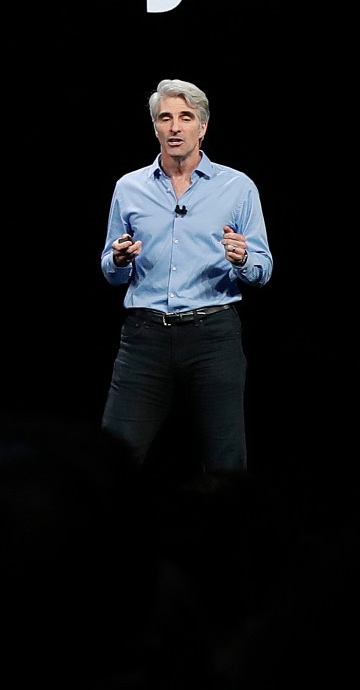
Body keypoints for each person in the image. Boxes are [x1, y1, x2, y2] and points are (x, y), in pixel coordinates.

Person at [99, 78, 273, 471]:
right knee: (112, 458)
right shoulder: (129, 187)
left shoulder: (237, 187)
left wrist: (242, 259)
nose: (175, 127)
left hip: (213, 336)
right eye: (166, 118)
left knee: (224, 462)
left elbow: (262, 271)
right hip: (144, 339)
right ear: (155, 127)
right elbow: (109, 270)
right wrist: (120, 260)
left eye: (186, 117)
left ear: (203, 127)